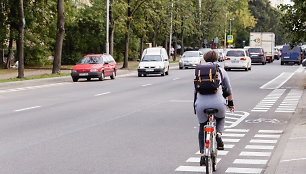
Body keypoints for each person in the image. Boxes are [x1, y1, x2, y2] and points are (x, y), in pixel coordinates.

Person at [194, 51, 234, 166]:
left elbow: (195, 91)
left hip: (201, 105)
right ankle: (218, 134)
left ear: (205, 59)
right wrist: (230, 103)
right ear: (217, 59)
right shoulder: (221, 70)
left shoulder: (198, 71)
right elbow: (229, 90)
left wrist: (196, 105)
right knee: (221, 117)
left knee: (202, 127)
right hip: (218, 104)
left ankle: (202, 155)